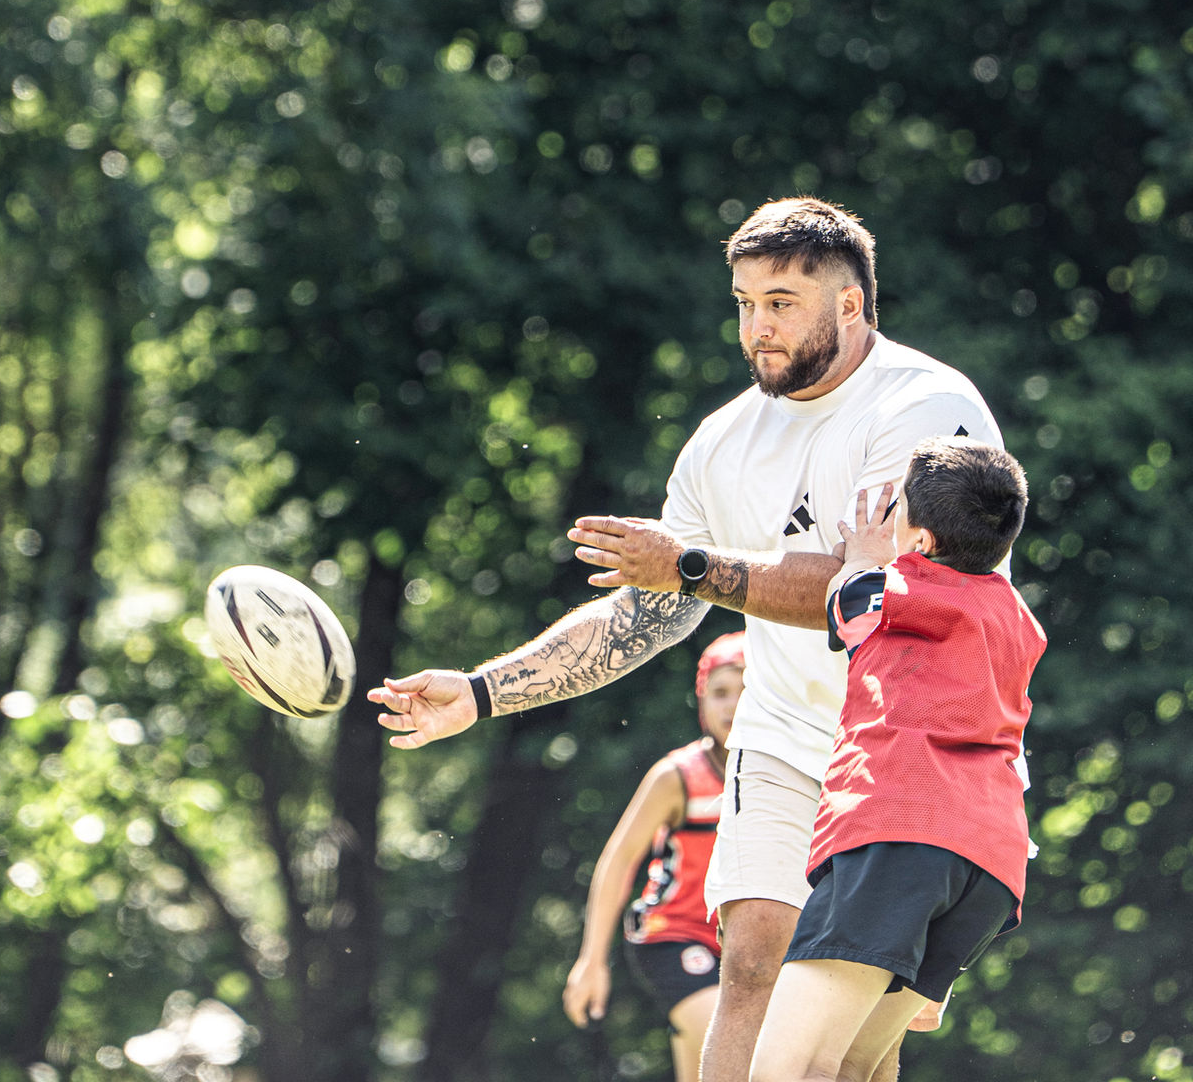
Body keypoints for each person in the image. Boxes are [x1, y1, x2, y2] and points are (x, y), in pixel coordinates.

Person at [368, 196, 1006, 1082]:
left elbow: (878, 588)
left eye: (781, 302)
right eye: (744, 303)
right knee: (751, 962)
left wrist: (694, 567)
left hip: (912, 751)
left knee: (859, 1047)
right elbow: (649, 612)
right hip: (784, 734)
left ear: (851, 305)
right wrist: (481, 692)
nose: (756, 328)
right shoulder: (721, 443)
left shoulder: (926, 407)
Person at [748, 437, 1046, 1082]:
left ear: (924, 538)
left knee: (788, 1069)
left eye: (899, 505)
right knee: (859, 1069)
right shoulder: (1019, 620)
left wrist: (862, 553)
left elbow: (845, 602)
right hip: (991, 864)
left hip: (902, 831)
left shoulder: (894, 587)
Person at [563, 632, 745, 1082]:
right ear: (701, 701)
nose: (732, 707)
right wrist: (591, 960)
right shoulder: (678, 776)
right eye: (720, 693)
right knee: (741, 1052)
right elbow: (619, 861)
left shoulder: (791, 774)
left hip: (747, 943)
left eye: (747, 692)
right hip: (673, 937)